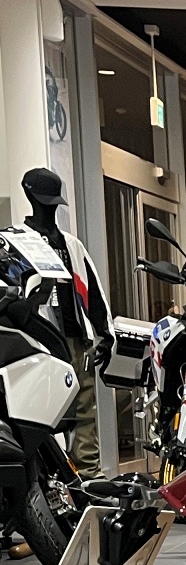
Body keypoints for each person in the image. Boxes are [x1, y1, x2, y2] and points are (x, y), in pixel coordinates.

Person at [19, 167, 111, 478]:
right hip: (38, 341)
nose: (48, 208)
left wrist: (105, 335)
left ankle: (88, 476)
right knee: (39, 410)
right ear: (29, 195)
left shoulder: (72, 245)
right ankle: (43, 478)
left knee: (84, 410)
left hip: (76, 339)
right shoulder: (17, 242)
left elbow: (93, 292)